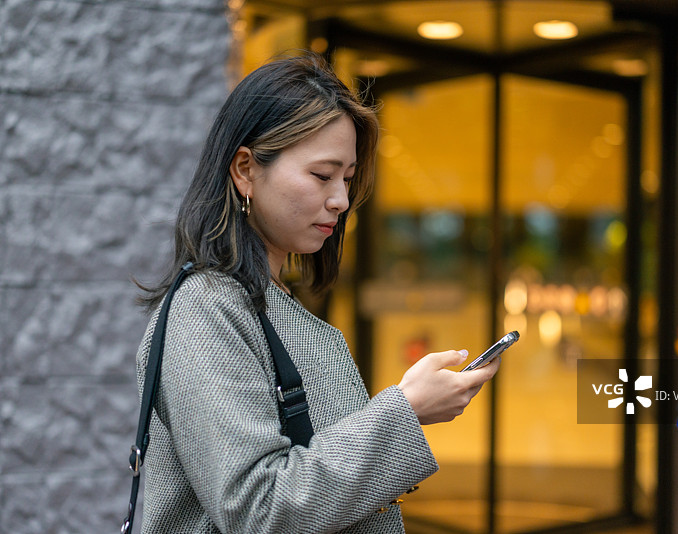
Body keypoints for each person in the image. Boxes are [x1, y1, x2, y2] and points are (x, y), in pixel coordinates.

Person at [135, 52, 500, 534]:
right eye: (322, 175)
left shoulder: (264, 301)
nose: (341, 200)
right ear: (245, 168)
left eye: (347, 179)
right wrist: (404, 411)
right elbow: (258, 507)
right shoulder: (206, 310)